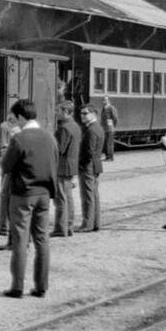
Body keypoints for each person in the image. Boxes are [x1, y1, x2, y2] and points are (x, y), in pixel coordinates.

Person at [0, 100, 57, 298]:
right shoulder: (50, 137)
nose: (14, 122)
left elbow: (6, 166)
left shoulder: (19, 138)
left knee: (20, 241)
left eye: (15, 118)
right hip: (44, 194)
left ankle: (17, 287)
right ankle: (41, 286)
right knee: (42, 240)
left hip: (23, 194)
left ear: (22, 117)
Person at [52, 101, 82, 237]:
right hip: (70, 166)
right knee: (68, 198)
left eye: (57, 111)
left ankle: (60, 228)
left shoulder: (64, 128)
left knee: (61, 199)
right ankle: (69, 226)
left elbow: (59, 149)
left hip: (62, 167)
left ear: (65, 112)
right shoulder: (75, 126)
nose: (55, 113)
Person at [76, 104, 105, 232]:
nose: (82, 116)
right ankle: (95, 223)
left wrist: (80, 163)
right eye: (81, 113)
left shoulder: (91, 130)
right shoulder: (98, 128)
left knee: (87, 195)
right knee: (94, 195)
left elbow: (88, 151)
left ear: (93, 114)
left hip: (88, 165)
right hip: (96, 165)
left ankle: (87, 224)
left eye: (85, 113)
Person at [0, 115, 21, 241]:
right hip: (19, 165)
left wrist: (0, 158)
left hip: (9, 163)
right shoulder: (25, 126)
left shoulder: (4, 126)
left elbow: (1, 146)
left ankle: (4, 226)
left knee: (5, 195)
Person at [100, 96, 118, 162]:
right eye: (103, 100)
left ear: (108, 100)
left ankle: (110, 157)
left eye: (105, 100)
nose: (104, 101)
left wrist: (113, 126)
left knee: (109, 143)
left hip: (110, 128)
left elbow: (115, 118)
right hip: (104, 128)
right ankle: (107, 156)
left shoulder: (111, 108)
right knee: (105, 143)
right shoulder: (104, 108)